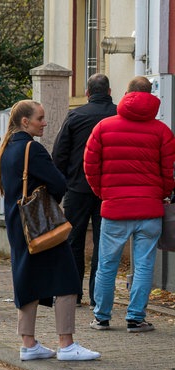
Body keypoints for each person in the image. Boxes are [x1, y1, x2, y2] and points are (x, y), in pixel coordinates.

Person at [0, 99, 99, 361]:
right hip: (41, 224)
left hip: (18, 223)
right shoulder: (33, 149)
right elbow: (58, 183)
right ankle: (66, 344)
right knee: (66, 278)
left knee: (26, 278)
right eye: (40, 118)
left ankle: (28, 344)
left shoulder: (6, 149)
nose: (45, 122)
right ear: (25, 122)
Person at [85, 76, 175, 332]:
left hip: (115, 209)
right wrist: (163, 193)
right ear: (151, 95)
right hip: (149, 210)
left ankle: (102, 316)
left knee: (107, 264)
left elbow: (90, 166)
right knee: (145, 264)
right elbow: (169, 171)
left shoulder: (103, 127)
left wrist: (103, 193)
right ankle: (135, 317)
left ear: (126, 93)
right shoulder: (162, 131)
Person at [52, 73, 116, 307]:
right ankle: (97, 295)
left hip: (78, 188)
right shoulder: (117, 115)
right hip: (109, 190)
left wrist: (64, 182)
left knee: (73, 241)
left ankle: (73, 292)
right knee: (104, 243)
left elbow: (59, 154)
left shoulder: (75, 115)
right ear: (109, 92)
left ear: (88, 93)